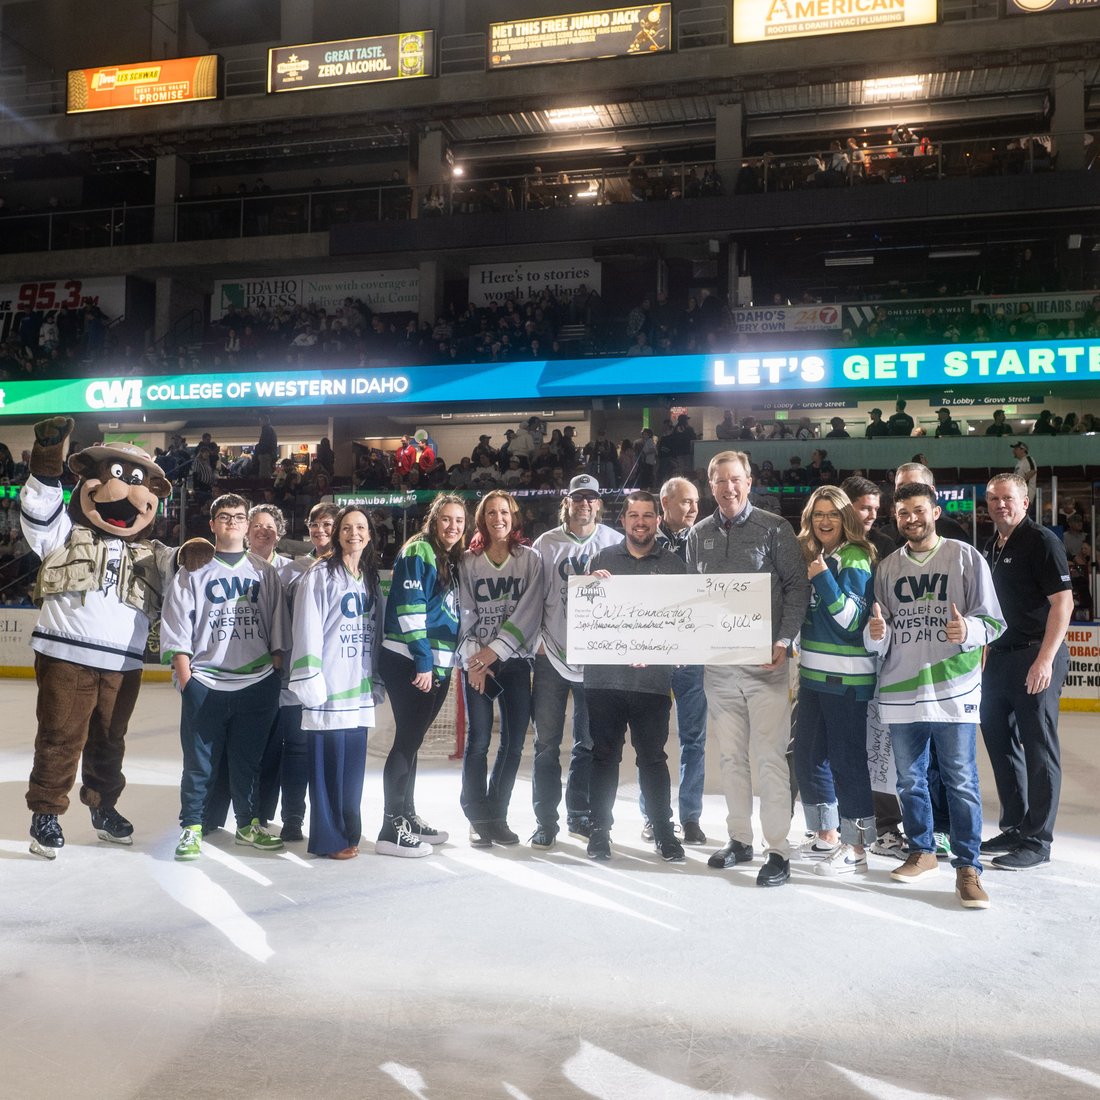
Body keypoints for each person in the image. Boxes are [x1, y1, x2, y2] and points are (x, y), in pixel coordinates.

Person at [866, 482, 1005, 909]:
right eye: (903, 512)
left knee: (961, 781)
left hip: (953, 689)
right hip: (900, 691)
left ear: (935, 511)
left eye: (918, 510)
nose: (911, 518)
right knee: (909, 780)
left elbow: (995, 622)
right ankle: (923, 851)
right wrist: (877, 636)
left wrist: (971, 632)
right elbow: (880, 633)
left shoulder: (966, 557)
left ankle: (968, 868)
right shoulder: (887, 567)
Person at [685, 451, 810, 888]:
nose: (728, 488)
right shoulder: (696, 535)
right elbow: (686, 596)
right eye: (719, 481)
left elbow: (798, 588)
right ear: (710, 485)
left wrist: (783, 640)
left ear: (749, 481)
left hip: (767, 668)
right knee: (730, 757)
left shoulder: (775, 529)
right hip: (718, 670)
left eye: (735, 479)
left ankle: (778, 850)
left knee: (771, 759)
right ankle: (739, 839)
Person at [162, 494, 291, 861]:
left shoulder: (263, 572)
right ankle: (191, 827)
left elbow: (278, 630)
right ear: (212, 525)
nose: (232, 522)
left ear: (247, 526)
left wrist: (274, 673)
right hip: (207, 683)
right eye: (224, 516)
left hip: (256, 682)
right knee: (199, 764)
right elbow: (176, 630)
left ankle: (248, 824)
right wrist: (188, 680)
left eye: (238, 517)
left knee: (247, 761)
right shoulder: (192, 571)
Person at [584, 492, 688, 863]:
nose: (640, 522)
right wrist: (590, 587)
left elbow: (682, 623)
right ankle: (599, 833)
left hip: (652, 683)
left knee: (653, 758)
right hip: (604, 680)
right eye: (633, 515)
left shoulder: (674, 565)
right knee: (604, 757)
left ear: (658, 519)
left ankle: (663, 831)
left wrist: (659, 649)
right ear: (623, 521)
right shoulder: (602, 559)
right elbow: (586, 618)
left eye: (647, 515)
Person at [979, 473, 1072, 871]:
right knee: (1000, 745)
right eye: (994, 498)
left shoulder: (1042, 541)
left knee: (1038, 749)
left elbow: (1062, 604)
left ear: (1025, 502)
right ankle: (1015, 825)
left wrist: (1045, 659)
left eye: (1008, 498)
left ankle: (1039, 840)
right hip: (999, 658)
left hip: (1035, 654)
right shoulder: (992, 545)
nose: (1000, 504)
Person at [529, 475, 622, 848]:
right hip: (552, 652)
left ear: (599, 504)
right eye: (578, 497)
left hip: (596, 659)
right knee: (546, 744)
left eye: (591, 498)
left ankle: (578, 815)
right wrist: (535, 640)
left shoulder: (615, 542)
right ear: (567, 502)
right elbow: (532, 598)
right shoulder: (545, 544)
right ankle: (545, 821)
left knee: (587, 743)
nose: (585, 503)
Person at [289, 507, 385, 859]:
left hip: (357, 692)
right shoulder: (320, 575)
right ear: (337, 533)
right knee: (328, 772)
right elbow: (306, 628)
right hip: (328, 690)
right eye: (346, 527)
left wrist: (375, 680)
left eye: (361, 527)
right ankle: (329, 840)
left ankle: (349, 832)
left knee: (351, 775)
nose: (353, 533)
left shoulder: (370, 578)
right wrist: (310, 680)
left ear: (370, 534)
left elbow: (373, 636)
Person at [793, 486, 878, 876]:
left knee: (847, 763)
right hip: (812, 676)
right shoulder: (820, 556)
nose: (824, 521)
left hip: (845, 680)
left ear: (846, 518)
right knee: (809, 756)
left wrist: (823, 579)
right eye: (818, 514)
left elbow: (850, 623)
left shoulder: (855, 557)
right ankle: (826, 834)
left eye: (832, 514)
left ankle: (857, 846)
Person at [376, 495, 467, 856]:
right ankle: (389, 827)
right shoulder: (419, 552)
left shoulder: (446, 556)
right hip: (410, 661)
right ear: (433, 520)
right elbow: (410, 610)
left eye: (459, 521)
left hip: (433, 663)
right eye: (446, 519)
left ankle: (406, 816)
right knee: (406, 742)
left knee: (411, 743)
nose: (453, 527)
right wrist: (424, 662)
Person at [457, 491, 545, 847]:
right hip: (478, 663)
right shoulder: (467, 561)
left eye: (504, 512)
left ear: (514, 516)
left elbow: (530, 610)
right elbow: (463, 610)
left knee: (513, 744)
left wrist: (494, 652)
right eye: (491, 513)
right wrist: (474, 660)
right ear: (482, 519)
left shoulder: (531, 559)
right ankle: (477, 816)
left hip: (514, 662)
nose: (498, 518)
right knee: (478, 740)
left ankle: (497, 814)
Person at [841, 476, 906, 857]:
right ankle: (829, 824)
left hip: (876, 661)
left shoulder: (884, 545)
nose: (871, 516)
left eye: (875, 509)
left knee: (878, 749)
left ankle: (885, 827)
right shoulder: (822, 541)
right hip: (827, 663)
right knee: (822, 747)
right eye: (864, 507)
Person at [642, 477, 708, 844]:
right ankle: (653, 816)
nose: (693, 508)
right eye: (686, 502)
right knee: (651, 740)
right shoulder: (644, 541)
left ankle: (691, 817)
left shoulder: (705, 539)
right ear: (665, 503)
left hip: (693, 655)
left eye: (696, 501)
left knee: (693, 739)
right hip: (654, 655)